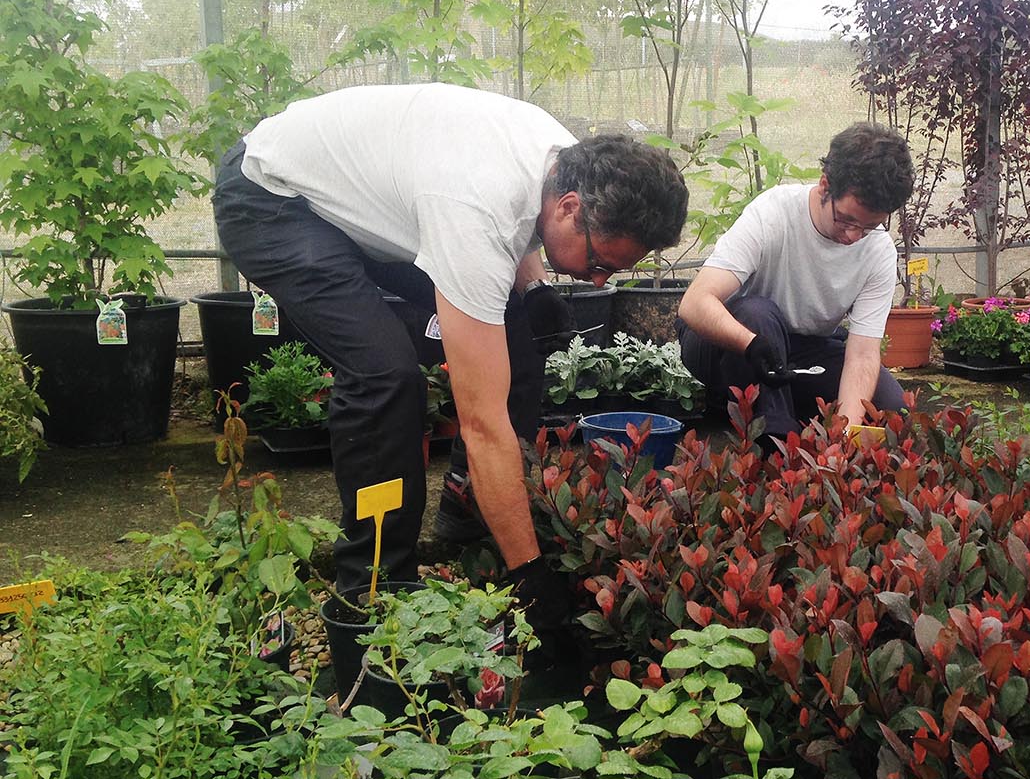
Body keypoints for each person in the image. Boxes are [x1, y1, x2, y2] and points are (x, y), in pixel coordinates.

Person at [212, 84, 689, 628]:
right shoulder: (476, 204)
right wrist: (530, 579)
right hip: (271, 197)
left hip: (369, 200)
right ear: (570, 207)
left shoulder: (569, 164)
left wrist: (534, 293)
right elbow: (483, 424)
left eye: (613, 273)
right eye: (601, 261)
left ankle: (468, 507)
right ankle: (373, 580)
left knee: (517, 342)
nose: (600, 279)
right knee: (384, 377)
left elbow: (515, 231)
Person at [676, 122, 914, 446]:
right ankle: (777, 446)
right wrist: (750, 344)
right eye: (846, 219)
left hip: (804, 351)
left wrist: (844, 433)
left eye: (869, 226)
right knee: (759, 313)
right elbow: (695, 304)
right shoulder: (774, 212)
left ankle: (798, 422)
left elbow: (862, 355)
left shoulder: (878, 251)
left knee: (890, 411)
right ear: (824, 185)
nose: (853, 236)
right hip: (732, 340)